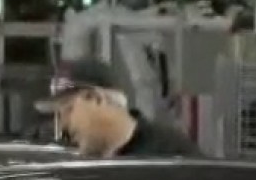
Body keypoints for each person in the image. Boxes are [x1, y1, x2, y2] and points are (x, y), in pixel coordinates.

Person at [38, 58, 203, 159]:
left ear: (96, 98)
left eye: (68, 110)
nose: (63, 125)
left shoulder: (170, 153)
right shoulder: (79, 165)